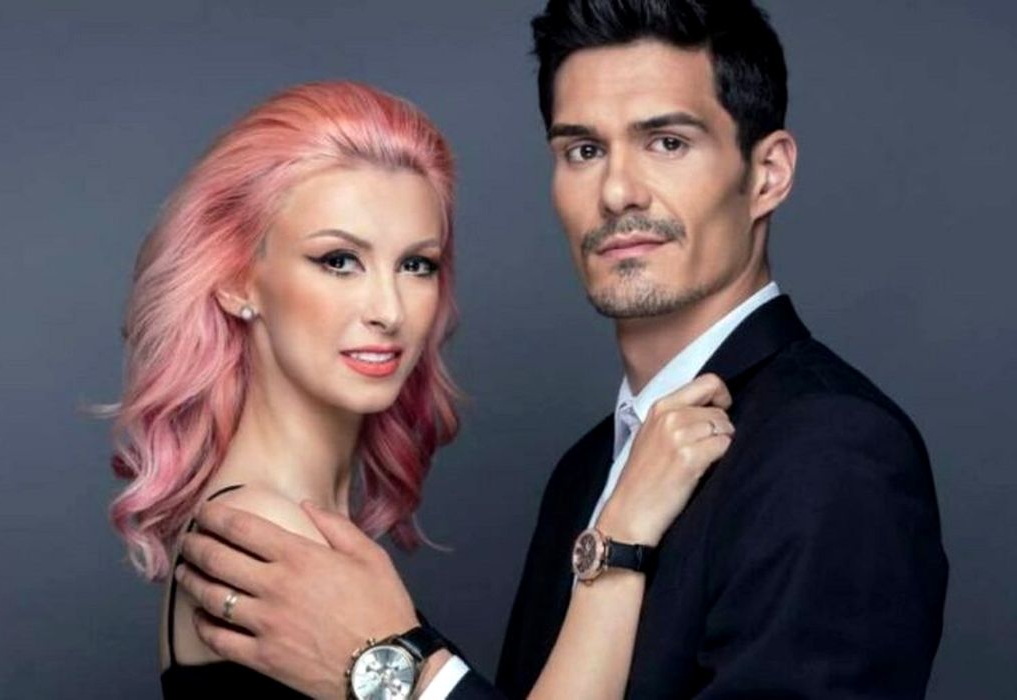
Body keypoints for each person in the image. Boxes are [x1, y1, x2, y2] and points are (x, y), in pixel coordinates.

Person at [175, 1, 949, 699]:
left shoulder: (829, 449)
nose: (617, 191)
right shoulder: (587, 474)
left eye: (667, 142)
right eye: (583, 150)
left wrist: (400, 671)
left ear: (767, 174)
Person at [108, 79, 736, 699]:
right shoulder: (262, 532)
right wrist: (621, 529)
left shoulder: (300, 522)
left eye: (416, 265)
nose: (389, 310)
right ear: (236, 279)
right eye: (338, 261)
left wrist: (619, 537)